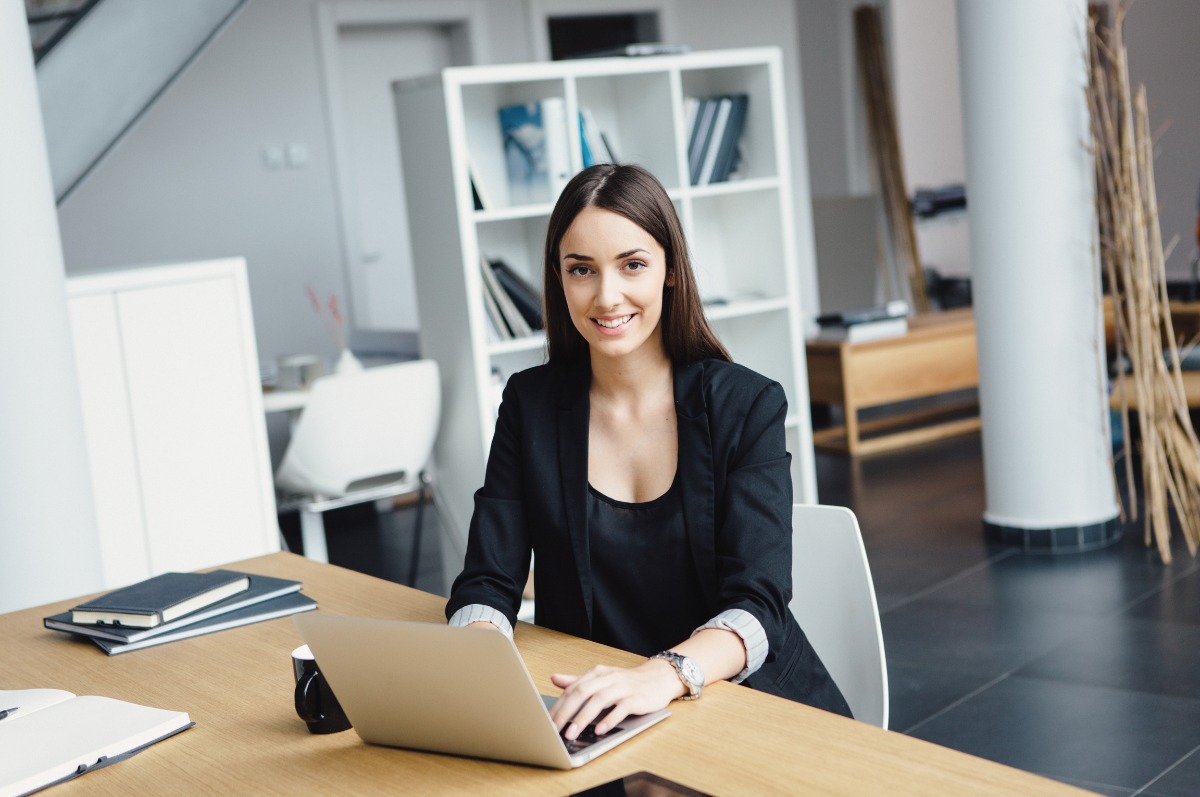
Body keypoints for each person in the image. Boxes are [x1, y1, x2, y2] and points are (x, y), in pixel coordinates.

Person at [445, 163, 851, 741]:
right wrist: (479, 658)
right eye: (581, 269)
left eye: (632, 264)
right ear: (559, 279)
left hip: (745, 703)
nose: (606, 296)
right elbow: (488, 579)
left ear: (670, 270)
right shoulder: (528, 404)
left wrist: (662, 676)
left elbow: (758, 605)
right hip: (601, 708)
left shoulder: (746, 405)